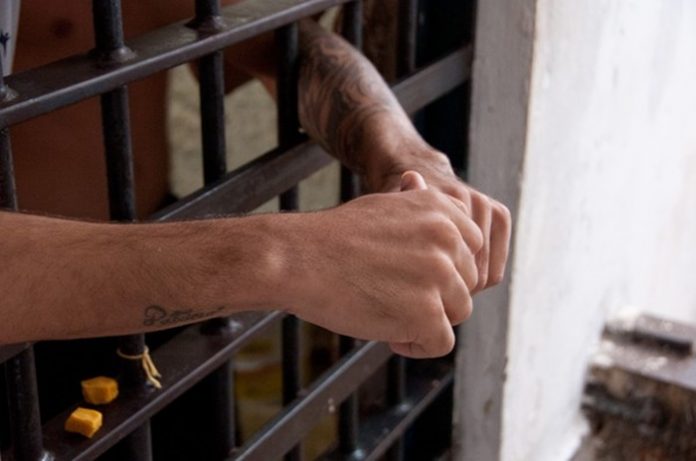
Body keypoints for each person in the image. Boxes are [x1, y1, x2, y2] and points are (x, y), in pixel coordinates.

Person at [0, 1, 511, 359]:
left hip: (167, 279)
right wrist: (285, 257)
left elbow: (284, 45)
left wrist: (408, 156)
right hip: (25, 344)